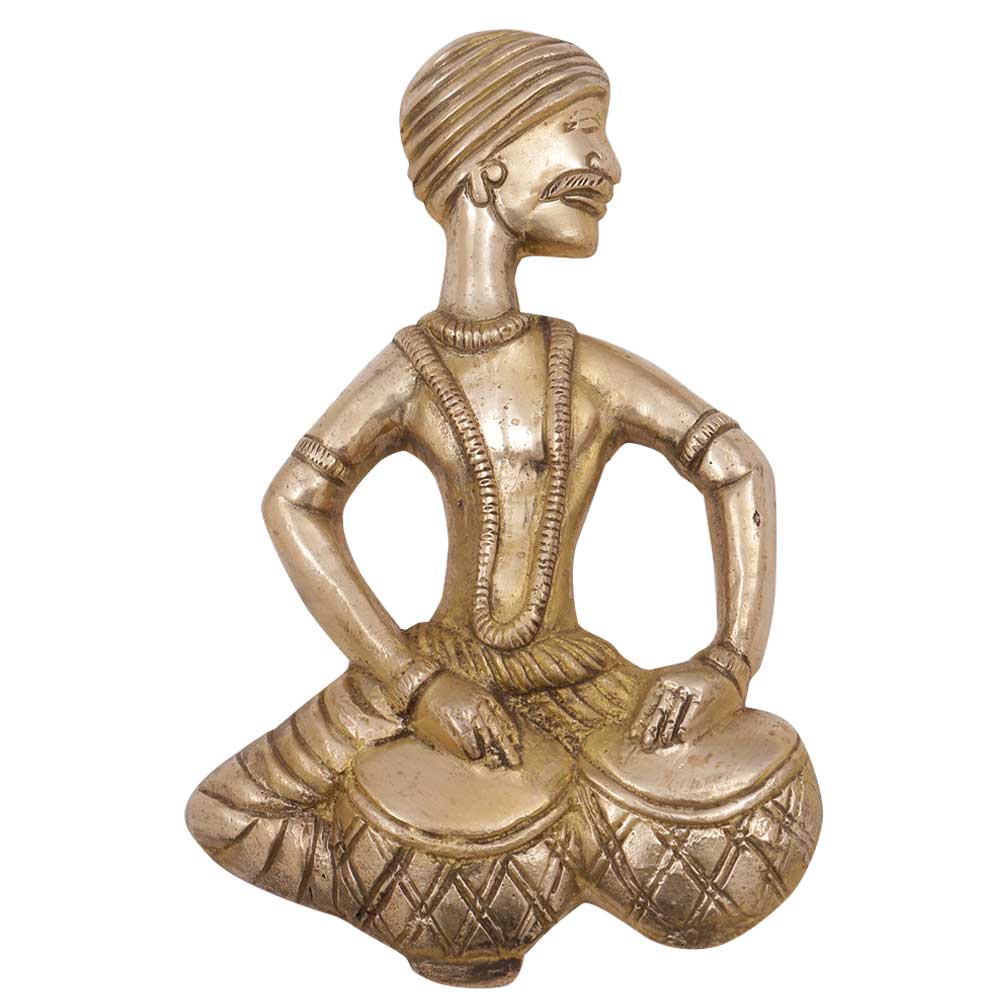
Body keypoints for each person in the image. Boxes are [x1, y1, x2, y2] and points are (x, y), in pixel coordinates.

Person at [187, 30, 819, 984]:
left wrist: (730, 664)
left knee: (759, 797)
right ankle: (483, 886)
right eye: (581, 130)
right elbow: (295, 502)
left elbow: (736, 466)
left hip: (583, 679)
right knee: (230, 813)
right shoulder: (411, 371)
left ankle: (522, 869)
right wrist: (414, 687)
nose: (610, 164)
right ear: (486, 162)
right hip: (434, 680)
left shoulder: (584, 366)